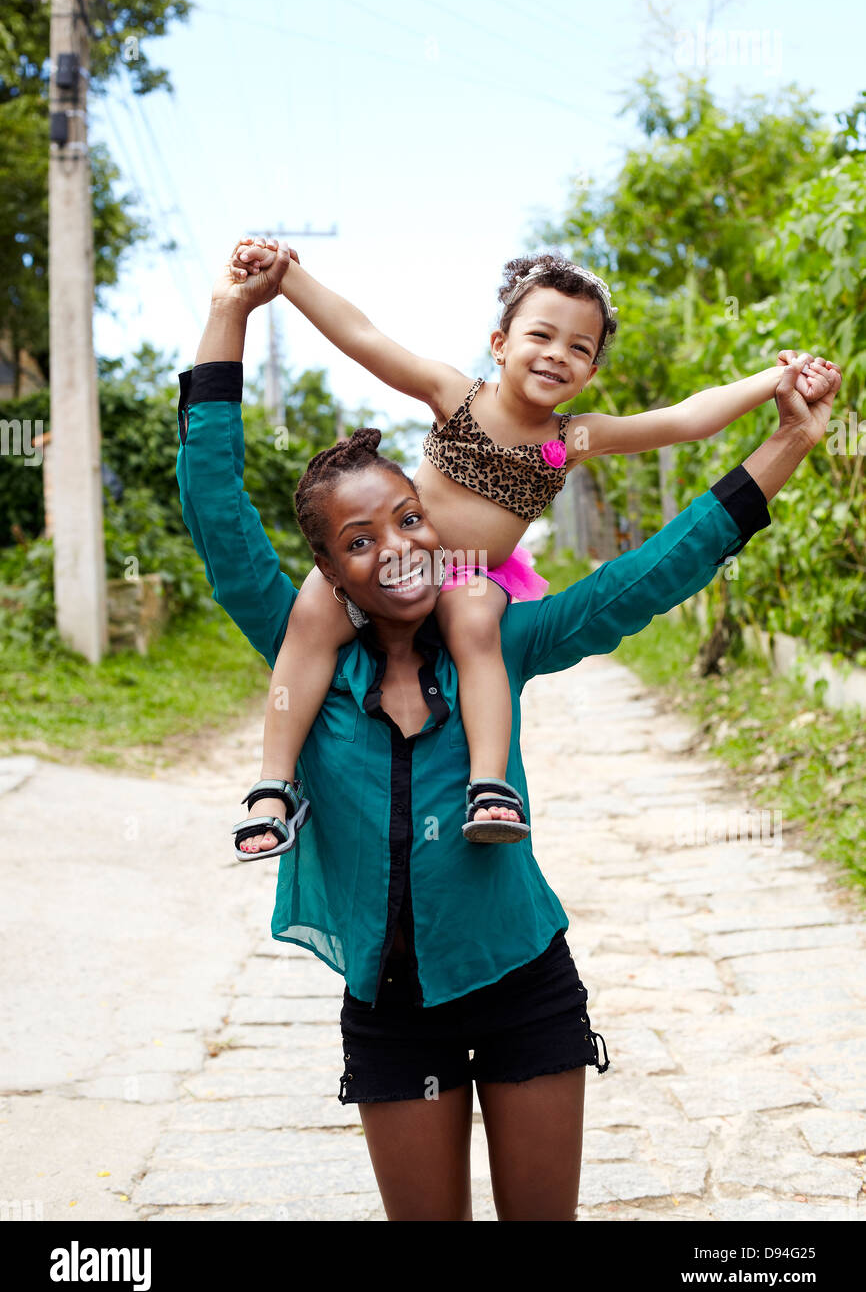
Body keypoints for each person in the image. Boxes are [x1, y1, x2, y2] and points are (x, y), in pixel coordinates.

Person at [175, 243, 839, 1221]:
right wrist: (234, 310)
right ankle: (272, 786)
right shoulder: (305, 642)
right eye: (359, 540)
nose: (402, 545)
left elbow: (654, 569)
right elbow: (216, 502)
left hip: (523, 985)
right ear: (328, 564)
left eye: (408, 519)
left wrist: (783, 434)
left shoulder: (500, 635)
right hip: (391, 1010)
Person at [227, 236, 838, 856]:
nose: (556, 356)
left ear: (592, 372)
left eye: (579, 348)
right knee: (311, 612)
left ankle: (489, 787)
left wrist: (776, 379)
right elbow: (364, 336)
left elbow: (684, 418)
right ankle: (274, 785)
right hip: (394, 562)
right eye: (540, 336)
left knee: (473, 622)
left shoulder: (574, 438)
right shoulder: (453, 395)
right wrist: (287, 280)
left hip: (467, 573)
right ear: (501, 344)